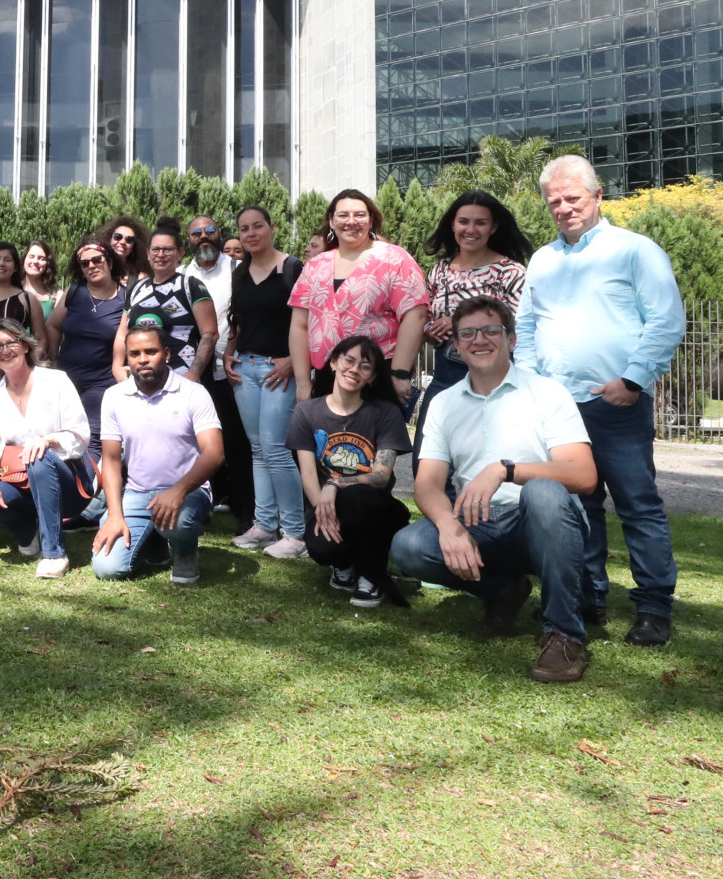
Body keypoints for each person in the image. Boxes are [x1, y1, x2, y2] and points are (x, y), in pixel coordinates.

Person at [517, 154, 688, 647]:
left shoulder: (636, 251)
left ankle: (654, 608)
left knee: (638, 505)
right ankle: (587, 596)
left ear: (598, 197)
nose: (564, 208)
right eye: (555, 201)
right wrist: (531, 382)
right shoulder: (543, 260)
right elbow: (526, 326)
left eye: (573, 198)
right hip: (558, 406)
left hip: (617, 405)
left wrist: (631, 382)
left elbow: (666, 320)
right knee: (578, 506)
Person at [391, 295, 600, 683]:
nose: (479, 340)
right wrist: (450, 531)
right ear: (455, 344)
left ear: (512, 339)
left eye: (491, 330)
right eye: (467, 333)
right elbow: (427, 484)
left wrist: (505, 470)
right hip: (479, 523)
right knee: (409, 546)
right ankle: (504, 590)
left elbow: (584, 475)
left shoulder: (547, 393)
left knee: (543, 492)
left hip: (543, 521)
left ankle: (564, 635)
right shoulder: (442, 404)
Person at [91, 321, 225, 585]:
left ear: (166, 353)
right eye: (135, 354)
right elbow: (111, 459)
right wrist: (115, 514)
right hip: (137, 494)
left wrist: (178, 491)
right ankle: (153, 541)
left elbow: (214, 453)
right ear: (127, 358)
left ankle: (185, 549)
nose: (142, 359)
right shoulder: (114, 396)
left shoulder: (193, 393)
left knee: (179, 521)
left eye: (150, 352)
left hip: (188, 493)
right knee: (107, 568)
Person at [288, 336, 414, 608]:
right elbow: (308, 474)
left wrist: (334, 483)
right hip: (329, 505)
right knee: (322, 548)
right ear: (333, 362)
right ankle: (343, 564)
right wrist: (322, 512)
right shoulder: (306, 412)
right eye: (349, 360)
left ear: (372, 377)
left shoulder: (386, 413)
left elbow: (380, 476)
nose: (355, 369)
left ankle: (371, 575)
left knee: (358, 497)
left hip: (376, 508)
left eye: (365, 366)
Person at [416, 191, 532, 469]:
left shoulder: (512, 272)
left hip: (494, 382)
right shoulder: (440, 270)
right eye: (463, 222)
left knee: (488, 461)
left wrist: (459, 320)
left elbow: (520, 329)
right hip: (446, 376)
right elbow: (426, 318)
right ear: (452, 225)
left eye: (480, 223)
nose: (470, 229)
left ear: (493, 227)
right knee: (428, 462)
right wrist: (428, 331)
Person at [223, 204, 309, 558]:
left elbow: (308, 321)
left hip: (279, 369)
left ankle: (295, 534)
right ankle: (264, 525)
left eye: (258, 226)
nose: (251, 233)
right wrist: (229, 352)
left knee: (275, 449)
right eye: (244, 229)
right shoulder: (240, 273)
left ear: (272, 229)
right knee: (258, 449)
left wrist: (293, 360)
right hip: (246, 367)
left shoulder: (293, 268)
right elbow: (238, 321)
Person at [289, 189, 427, 408]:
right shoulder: (315, 266)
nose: (351, 221)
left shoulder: (394, 257)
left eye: (360, 215)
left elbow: (415, 315)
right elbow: (299, 325)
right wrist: (303, 383)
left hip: (378, 374)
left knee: (378, 441)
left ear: (371, 220)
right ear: (331, 221)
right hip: (328, 376)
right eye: (343, 215)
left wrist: (400, 372)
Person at [0, 319, 91, 578]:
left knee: (39, 457)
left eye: (10, 343)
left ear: (25, 345)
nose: (5, 350)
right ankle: (29, 534)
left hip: (68, 485)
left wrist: (48, 440)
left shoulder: (56, 381)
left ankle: (54, 554)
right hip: (23, 483)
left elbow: (82, 434)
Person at [180, 213, 254, 539]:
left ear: (219, 234)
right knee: (196, 440)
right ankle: (202, 502)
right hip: (196, 369)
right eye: (197, 233)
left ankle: (246, 511)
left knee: (238, 441)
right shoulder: (183, 275)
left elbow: (245, 315)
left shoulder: (238, 269)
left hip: (233, 368)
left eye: (209, 231)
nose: (204, 237)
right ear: (190, 239)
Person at [112, 220, 217, 386]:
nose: (160, 255)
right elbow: (122, 331)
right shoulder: (138, 288)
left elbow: (210, 334)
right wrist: (117, 366)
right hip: (142, 379)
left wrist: (192, 375)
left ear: (180, 253)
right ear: (148, 253)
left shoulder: (191, 286)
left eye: (168, 250)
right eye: (155, 249)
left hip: (181, 377)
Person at [45, 236, 127, 441]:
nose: (92, 265)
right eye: (84, 263)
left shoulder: (125, 296)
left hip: (102, 383)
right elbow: (53, 326)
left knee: (92, 436)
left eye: (97, 259)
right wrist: (54, 361)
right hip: (67, 380)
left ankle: (90, 474)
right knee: (60, 434)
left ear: (109, 260)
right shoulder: (74, 292)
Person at [22, 240, 59, 322]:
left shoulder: (56, 295)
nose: (35, 261)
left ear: (47, 263)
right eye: (31, 256)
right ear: (24, 259)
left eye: (41, 258)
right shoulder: (12, 288)